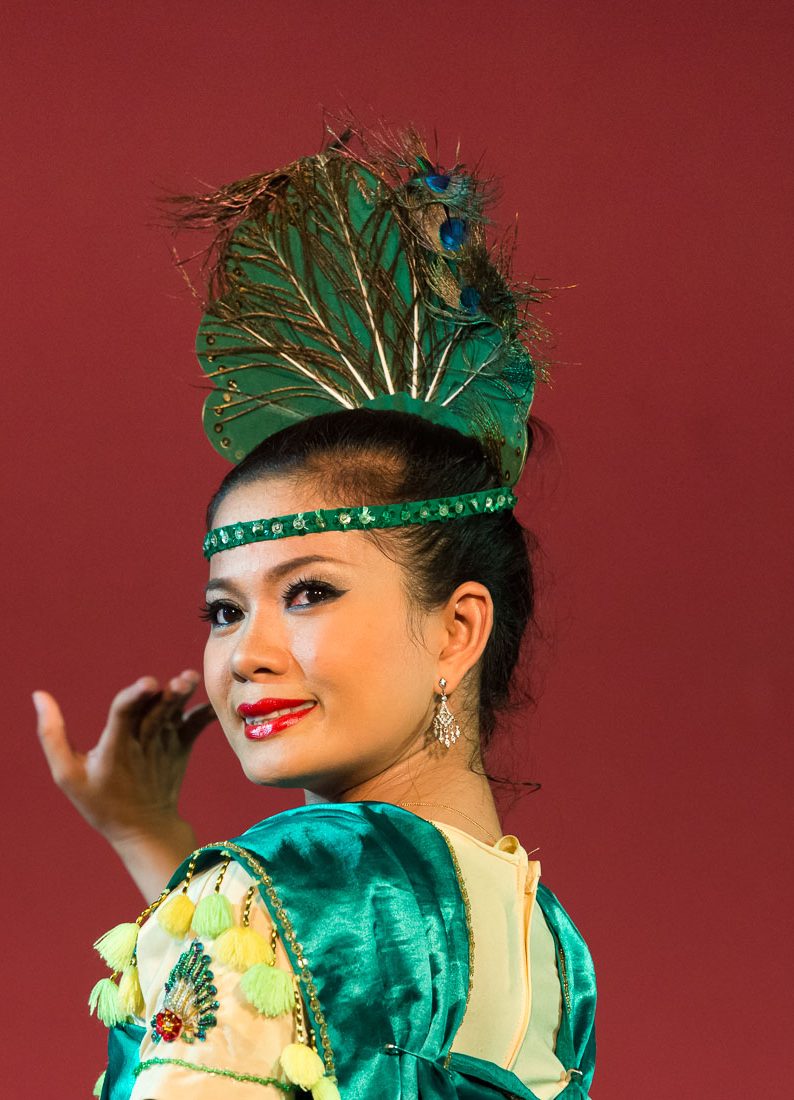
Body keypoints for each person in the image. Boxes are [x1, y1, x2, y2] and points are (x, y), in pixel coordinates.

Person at [33, 125, 596, 1100]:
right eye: (220, 609)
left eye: (307, 592)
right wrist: (147, 833)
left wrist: (191, 872)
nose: (243, 653)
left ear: (456, 629)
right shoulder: (543, 941)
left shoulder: (285, 882)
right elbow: (338, 1009)